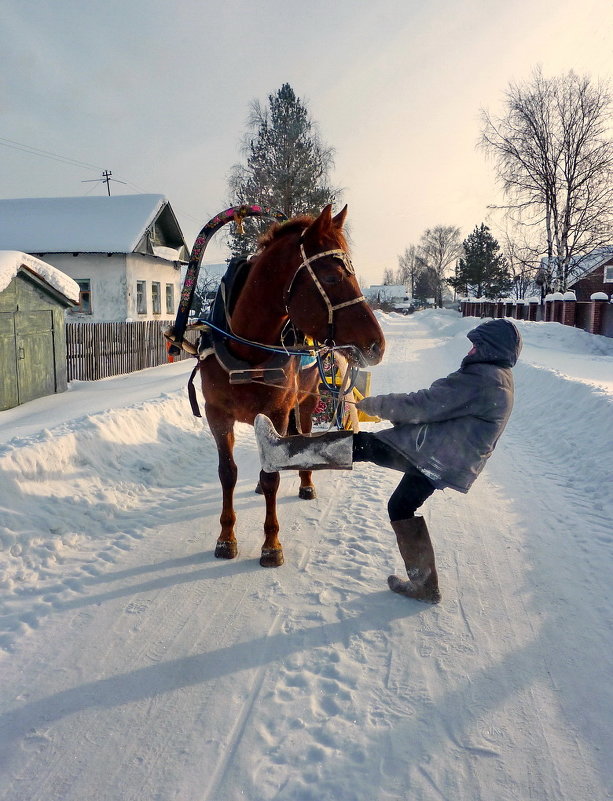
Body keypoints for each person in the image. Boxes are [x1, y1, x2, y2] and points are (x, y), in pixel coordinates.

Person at [254, 318, 522, 604]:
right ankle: (425, 585)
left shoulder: (483, 379)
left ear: (489, 349)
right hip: (446, 458)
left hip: (433, 454)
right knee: (401, 506)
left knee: (359, 445)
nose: (470, 351)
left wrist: (376, 405)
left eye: (476, 346)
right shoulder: (497, 378)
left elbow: (425, 404)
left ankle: (280, 453)